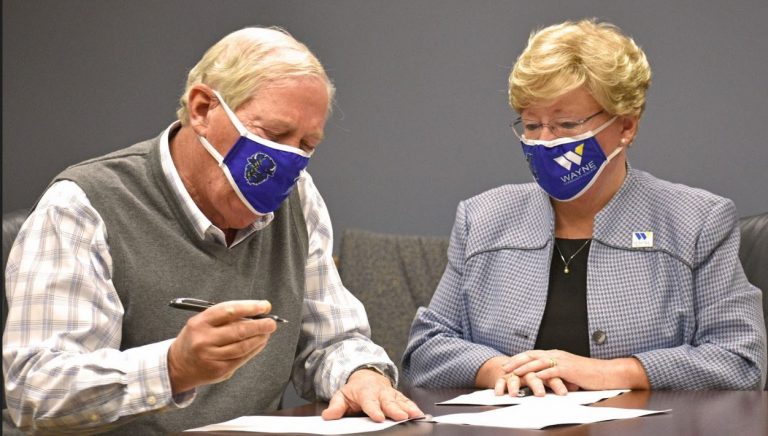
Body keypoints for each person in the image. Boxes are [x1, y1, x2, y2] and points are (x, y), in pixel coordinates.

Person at [3, 27, 422, 433]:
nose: (289, 161)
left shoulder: (298, 199)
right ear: (202, 109)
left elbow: (331, 340)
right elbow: (35, 391)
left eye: (306, 145)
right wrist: (173, 368)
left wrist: (361, 374)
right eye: (274, 134)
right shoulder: (83, 206)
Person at [401, 19, 766, 396]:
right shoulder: (482, 218)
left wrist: (615, 373)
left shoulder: (697, 221)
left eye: (565, 124)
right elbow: (424, 351)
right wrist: (502, 370)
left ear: (625, 126)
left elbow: (740, 361)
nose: (545, 141)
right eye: (531, 125)